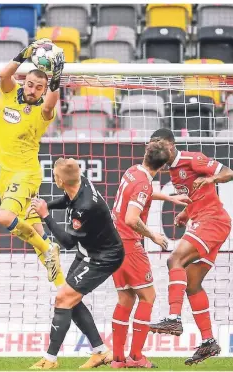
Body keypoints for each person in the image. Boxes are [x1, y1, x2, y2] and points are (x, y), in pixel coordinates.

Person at [29, 158, 124, 369]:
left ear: (61, 180)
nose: (53, 178)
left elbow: (67, 243)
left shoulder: (85, 207)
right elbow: (67, 200)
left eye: (55, 176)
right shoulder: (81, 183)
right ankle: (100, 351)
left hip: (103, 257)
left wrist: (45, 215)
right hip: (88, 251)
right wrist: (46, 206)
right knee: (69, 297)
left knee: (63, 298)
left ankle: (50, 359)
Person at [148, 128, 233, 365]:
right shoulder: (173, 170)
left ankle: (173, 318)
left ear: (171, 146)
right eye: (153, 144)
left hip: (212, 221)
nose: (157, 149)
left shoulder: (192, 159)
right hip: (206, 221)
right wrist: (186, 213)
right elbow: (197, 193)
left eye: (160, 144)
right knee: (192, 284)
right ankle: (208, 342)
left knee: (174, 261)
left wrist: (212, 178)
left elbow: (228, 172)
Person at [110, 141, 191, 368]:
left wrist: (168, 198)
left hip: (113, 244)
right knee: (148, 297)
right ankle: (136, 357)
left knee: (125, 298)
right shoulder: (144, 184)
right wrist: (153, 235)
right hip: (129, 245)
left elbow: (139, 193)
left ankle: (118, 359)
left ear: (146, 155)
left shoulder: (132, 172)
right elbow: (131, 218)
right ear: (164, 167)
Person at [0, 38, 66, 286]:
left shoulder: (42, 111)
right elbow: (4, 74)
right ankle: (62, 286)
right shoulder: (11, 93)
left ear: (43, 90)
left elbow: (52, 101)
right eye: (30, 84)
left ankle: (47, 249)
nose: (32, 90)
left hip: (25, 173)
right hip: (6, 173)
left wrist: (55, 76)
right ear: (24, 83)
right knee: (34, 227)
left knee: (5, 217)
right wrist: (27, 52)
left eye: (38, 87)